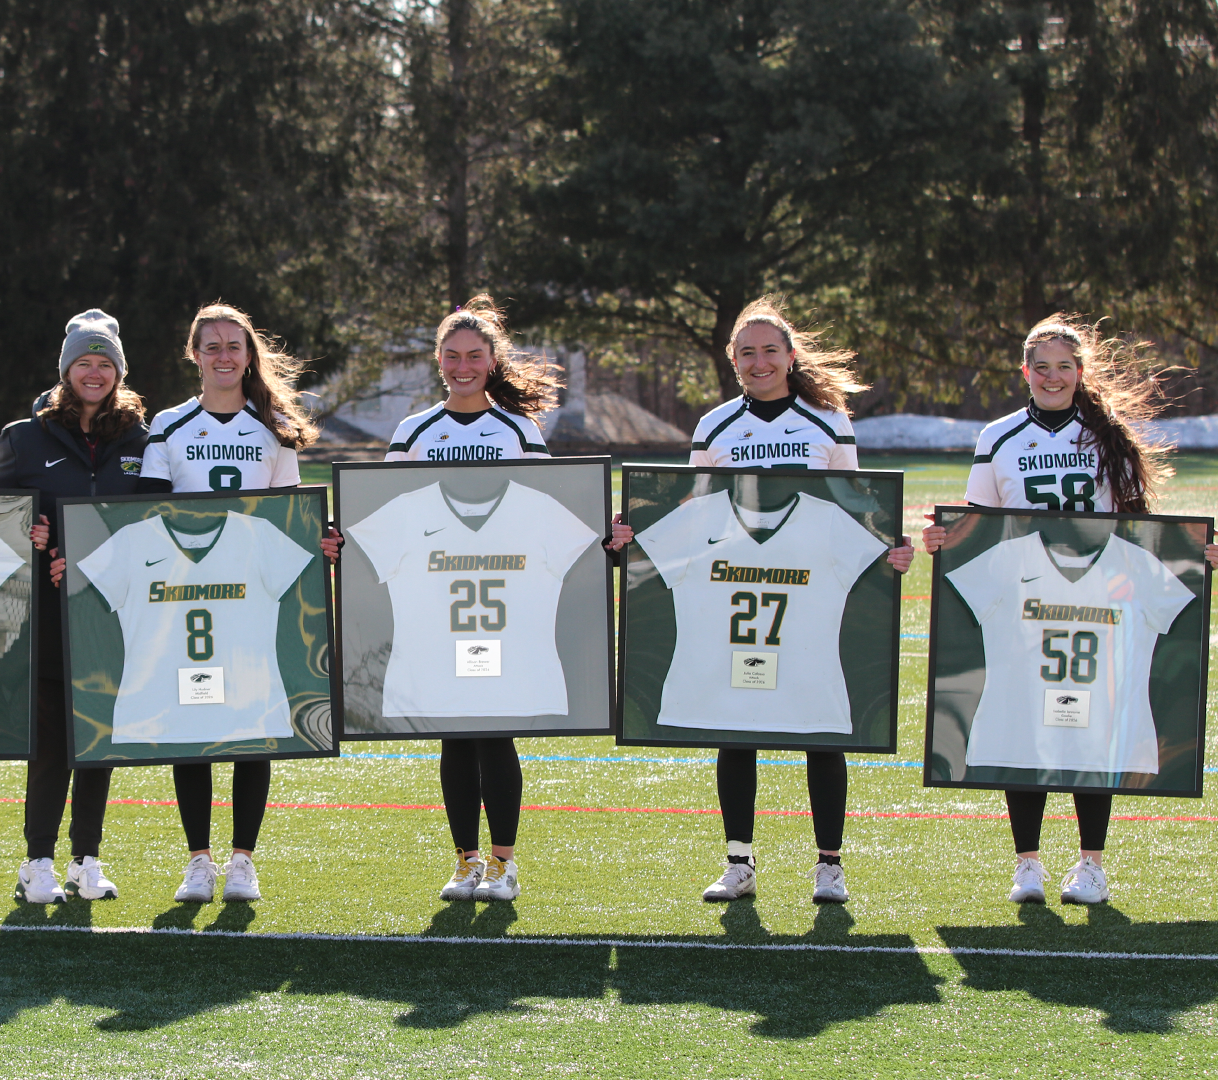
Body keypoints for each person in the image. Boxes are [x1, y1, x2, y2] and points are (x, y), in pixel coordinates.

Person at [318, 297, 631, 902]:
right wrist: (341, 541)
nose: (463, 366)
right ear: (438, 360)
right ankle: (464, 860)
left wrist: (609, 538)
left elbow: (549, 513)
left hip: (504, 605)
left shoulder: (519, 431)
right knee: (454, 735)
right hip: (435, 606)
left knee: (497, 734)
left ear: (492, 360)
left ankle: (504, 863)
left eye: (474, 356)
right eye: (452, 355)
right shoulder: (413, 431)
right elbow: (383, 517)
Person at [922, 314, 1218, 905]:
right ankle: (1027, 863)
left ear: (1080, 372)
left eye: (1064, 366)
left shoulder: (1109, 434)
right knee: (1025, 723)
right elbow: (981, 525)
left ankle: (1091, 864)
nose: (1053, 377)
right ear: (1024, 370)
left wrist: (1198, 554)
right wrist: (943, 538)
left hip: (1096, 596)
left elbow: (1139, 529)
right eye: (1042, 366)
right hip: (1028, 594)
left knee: (1096, 725)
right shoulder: (999, 437)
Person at [682, 297, 913, 905]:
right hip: (738, 592)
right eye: (747, 352)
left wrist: (890, 547)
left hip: (808, 595)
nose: (760, 362)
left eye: (770, 350)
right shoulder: (714, 425)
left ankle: (829, 864)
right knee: (737, 729)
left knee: (820, 729)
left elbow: (857, 504)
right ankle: (739, 861)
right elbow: (697, 511)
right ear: (733, 360)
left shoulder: (827, 422)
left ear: (790, 356)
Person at [136, 303, 318, 903]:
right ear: (194, 355)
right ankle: (198, 859)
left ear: (248, 355)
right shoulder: (167, 426)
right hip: (186, 601)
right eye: (210, 345)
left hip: (251, 599)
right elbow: (148, 517)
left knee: (251, 723)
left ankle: (243, 860)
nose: (222, 355)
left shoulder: (272, 428)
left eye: (233, 345)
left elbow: (292, 517)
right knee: (191, 722)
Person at [0, 310, 147, 903]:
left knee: (98, 739)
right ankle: (37, 861)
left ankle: (87, 859)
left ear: (119, 372)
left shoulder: (138, 439)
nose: (95, 372)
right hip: (47, 614)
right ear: (65, 369)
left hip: (111, 612)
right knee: (52, 740)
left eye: (106, 363)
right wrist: (36, 543)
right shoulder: (22, 436)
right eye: (85, 361)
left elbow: (151, 523)